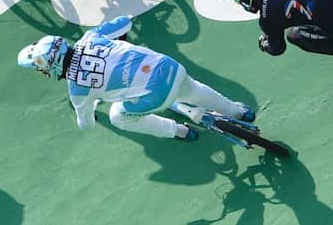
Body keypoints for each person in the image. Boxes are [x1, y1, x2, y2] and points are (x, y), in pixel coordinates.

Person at [17, 15, 255, 141]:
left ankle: (178, 132)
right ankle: (237, 110)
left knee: (118, 116)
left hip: (154, 96)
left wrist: (86, 114)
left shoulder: (77, 90)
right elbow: (124, 21)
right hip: (169, 66)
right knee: (192, 88)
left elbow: (87, 125)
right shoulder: (89, 38)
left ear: (53, 67)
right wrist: (121, 41)